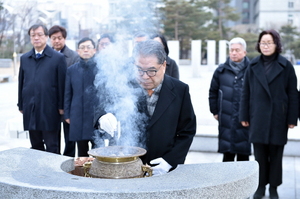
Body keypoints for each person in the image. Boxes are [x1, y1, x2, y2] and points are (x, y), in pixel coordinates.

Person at [98, 40, 197, 176]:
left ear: (163, 66)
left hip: (162, 167)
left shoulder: (180, 90)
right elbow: (99, 107)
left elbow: (187, 131)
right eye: (139, 70)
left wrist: (170, 161)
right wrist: (101, 117)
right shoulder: (123, 85)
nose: (144, 77)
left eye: (151, 71)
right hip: (126, 164)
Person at [239, 30, 298, 199]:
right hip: (258, 117)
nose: (265, 46)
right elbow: (246, 92)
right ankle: (260, 187)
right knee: (259, 156)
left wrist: (292, 118)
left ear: (276, 44)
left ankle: (273, 187)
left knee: (276, 155)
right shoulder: (253, 64)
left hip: (278, 118)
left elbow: (293, 94)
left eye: (269, 42)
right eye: (262, 43)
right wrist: (244, 115)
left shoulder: (285, 65)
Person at [18, 24, 67, 154]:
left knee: (52, 146)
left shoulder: (58, 58)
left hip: (50, 109)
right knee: (35, 145)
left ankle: (53, 173)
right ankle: (38, 173)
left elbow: (62, 84)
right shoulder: (25, 58)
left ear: (46, 37)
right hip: (31, 108)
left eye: (40, 35)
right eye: (33, 35)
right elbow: (21, 83)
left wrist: (62, 106)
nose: (36, 38)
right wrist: (21, 105)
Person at [209, 37, 251, 162]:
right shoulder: (221, 70)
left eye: (237, 50)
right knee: (227, 155)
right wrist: (215, 111)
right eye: (231, 50)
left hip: (245, 119)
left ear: (244, 52)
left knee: (243, 156)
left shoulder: (252, 70)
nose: (233, 53)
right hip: (226, 118)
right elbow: (213, 92)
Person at [64, 37, 99, 157]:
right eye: (82, 47)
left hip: (96, 117)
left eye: (88, 47)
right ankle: (82, 175)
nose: (85, 50)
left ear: (94, 50)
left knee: (97, 151)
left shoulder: (101, 69)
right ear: (78, 51)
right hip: (78, 116)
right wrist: (67, 114)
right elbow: (68, 94)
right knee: (82, 152)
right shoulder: (71, 70)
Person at [49, 25, 80, 157]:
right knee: (52, 135)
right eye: (54, 38)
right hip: (52, 103)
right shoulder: (47, 55)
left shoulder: (73, 56)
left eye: (59, 38)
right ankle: (54, 158)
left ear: (65, 39)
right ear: (50, 39)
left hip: (69, 103)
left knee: (70, 137)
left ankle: (69, 160)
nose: (57, 41)